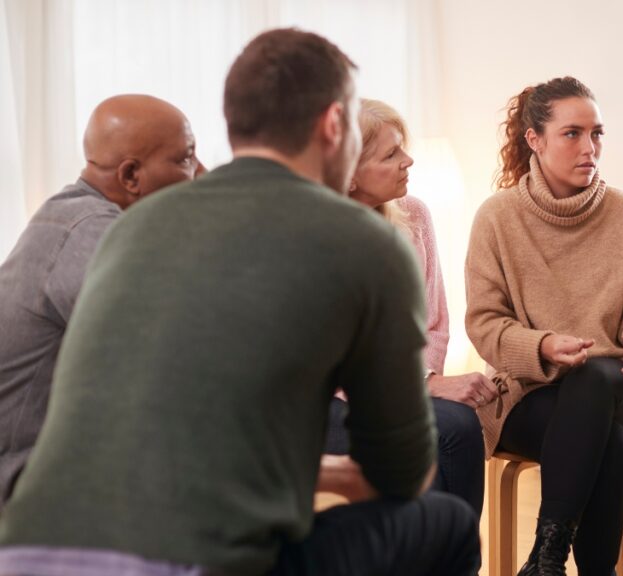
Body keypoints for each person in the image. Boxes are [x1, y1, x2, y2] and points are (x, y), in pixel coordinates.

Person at [0, 28, 479, 576]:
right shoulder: (367, 240)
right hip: (186, 560)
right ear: (333, 125)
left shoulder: (132, 227)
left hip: (27, 548)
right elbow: (401, 473)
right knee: (447, 522)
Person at [465, 76, 623, 576]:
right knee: (603, 439)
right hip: (532, 396)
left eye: (597, 133)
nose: (590, 148)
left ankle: (546, 558)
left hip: (622, 388)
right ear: (534, 140)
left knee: (595, 378)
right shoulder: (497, 219)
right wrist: (542, 345)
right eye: (572, 134)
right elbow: (484, 324)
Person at [0, 94, 202, 510]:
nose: (201, 174)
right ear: (131, 176)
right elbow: (178, 350)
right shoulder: (91, 231)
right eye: (186, 159)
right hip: (26, 479)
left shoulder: (80, 216)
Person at [324, 98, 489, 517]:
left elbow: (434, 325)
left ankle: (455, 559)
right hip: (323, 403)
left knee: (461, 425)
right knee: (424, 439)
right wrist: (423, 384)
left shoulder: (414, 216)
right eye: (391, 153)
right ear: (349, 176)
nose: (408, 160)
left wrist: (422, 379)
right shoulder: (313, 238)